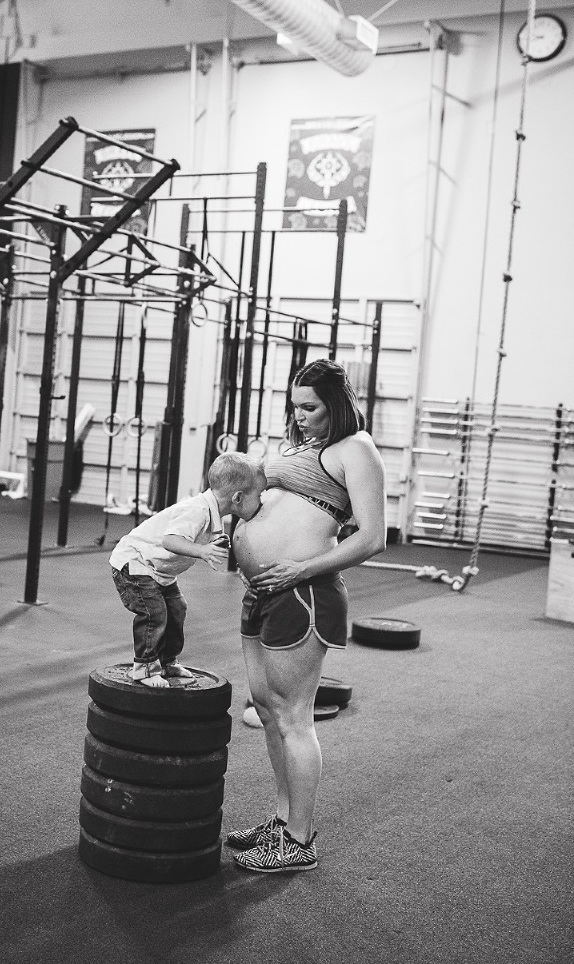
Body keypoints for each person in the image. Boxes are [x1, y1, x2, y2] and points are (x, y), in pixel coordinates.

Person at [227, 359, 386, 872]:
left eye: (310, 407)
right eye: (295, 406)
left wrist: (300, 568)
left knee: (293, 715)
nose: (299, 416)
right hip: (263, 592)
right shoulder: (295, 447)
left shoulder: (355, 448)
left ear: (335, 404)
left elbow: (372, 537)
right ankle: (281, 821)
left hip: (304, 594)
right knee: (266, 707)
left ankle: (299, 840)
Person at [110, 451, 266, 688]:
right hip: (135, 563)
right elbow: (170, 540)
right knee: (154, 613)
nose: (261, 501)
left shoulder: (213, 513)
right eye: (259, 495)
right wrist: (202, 551)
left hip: (160, 571)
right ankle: (144, 668)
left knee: (177, 610)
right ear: (237, 497)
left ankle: (166, 661)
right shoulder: (198, 511)